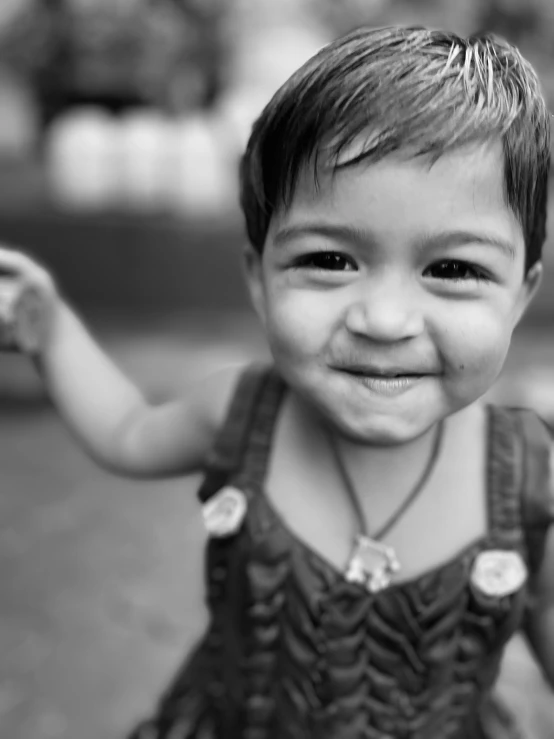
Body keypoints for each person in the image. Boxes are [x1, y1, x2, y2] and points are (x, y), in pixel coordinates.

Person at [2, 24, 554, 739]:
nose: (384, 319)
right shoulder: (242, 410)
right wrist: (50, 331)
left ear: (521, 293)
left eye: (452, 269)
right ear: (258, 280)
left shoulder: (527, 482)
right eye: (329, 259)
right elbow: (128, 432)